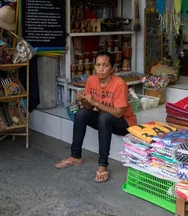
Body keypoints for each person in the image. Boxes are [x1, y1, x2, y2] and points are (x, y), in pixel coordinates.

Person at [55, 51, 136, 183]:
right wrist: (83, 100)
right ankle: (75, 156)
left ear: (112, 68)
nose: (101, 69)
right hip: (104, 118)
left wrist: (96, 103)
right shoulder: (91, 80)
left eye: (105, 65)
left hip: (124, 123)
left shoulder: (119, 83)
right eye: (98, 65)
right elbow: (88, 108)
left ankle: (103, 164)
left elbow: (118, 113)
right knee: (81, 113)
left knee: (104, 117)